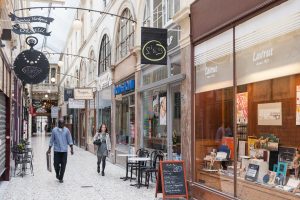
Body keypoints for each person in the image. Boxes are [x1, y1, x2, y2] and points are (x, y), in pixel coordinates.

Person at [47, 119, 74, 183]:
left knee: (63, 164)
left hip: (64, 151)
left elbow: (69, 140)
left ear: (64, 124)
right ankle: (57, 173)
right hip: (57, 150)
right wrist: (49, 148)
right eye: (60, 123)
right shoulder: (54, 130)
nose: (62, 125)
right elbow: (51, 140)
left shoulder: (67, 130)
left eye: (63, 123)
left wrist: (71, 149)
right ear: (58, 124)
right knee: (55, 164)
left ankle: (61, 178)